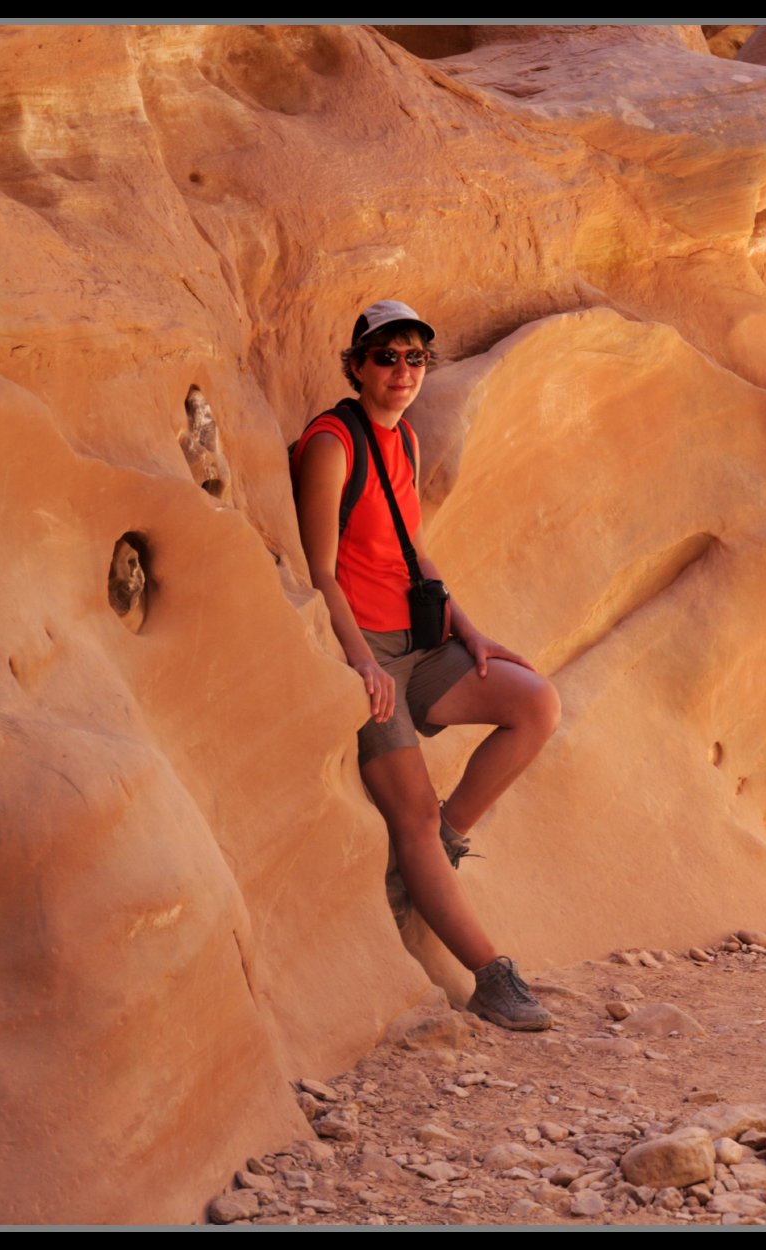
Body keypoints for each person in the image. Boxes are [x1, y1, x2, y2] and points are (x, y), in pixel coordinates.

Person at [292, 300, 561, 1031]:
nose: (403, 371)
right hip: (368, 651)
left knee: (535, 704)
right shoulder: (331, 444)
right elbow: (320, 572)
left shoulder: (404, 439)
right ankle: (491, 977)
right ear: (356, 366)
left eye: (415, 358)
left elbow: (413, 552)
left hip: (420, 641)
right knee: (407, 815)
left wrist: (470, 631)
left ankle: (440, 847)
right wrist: (363, 665)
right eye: (386, 357)